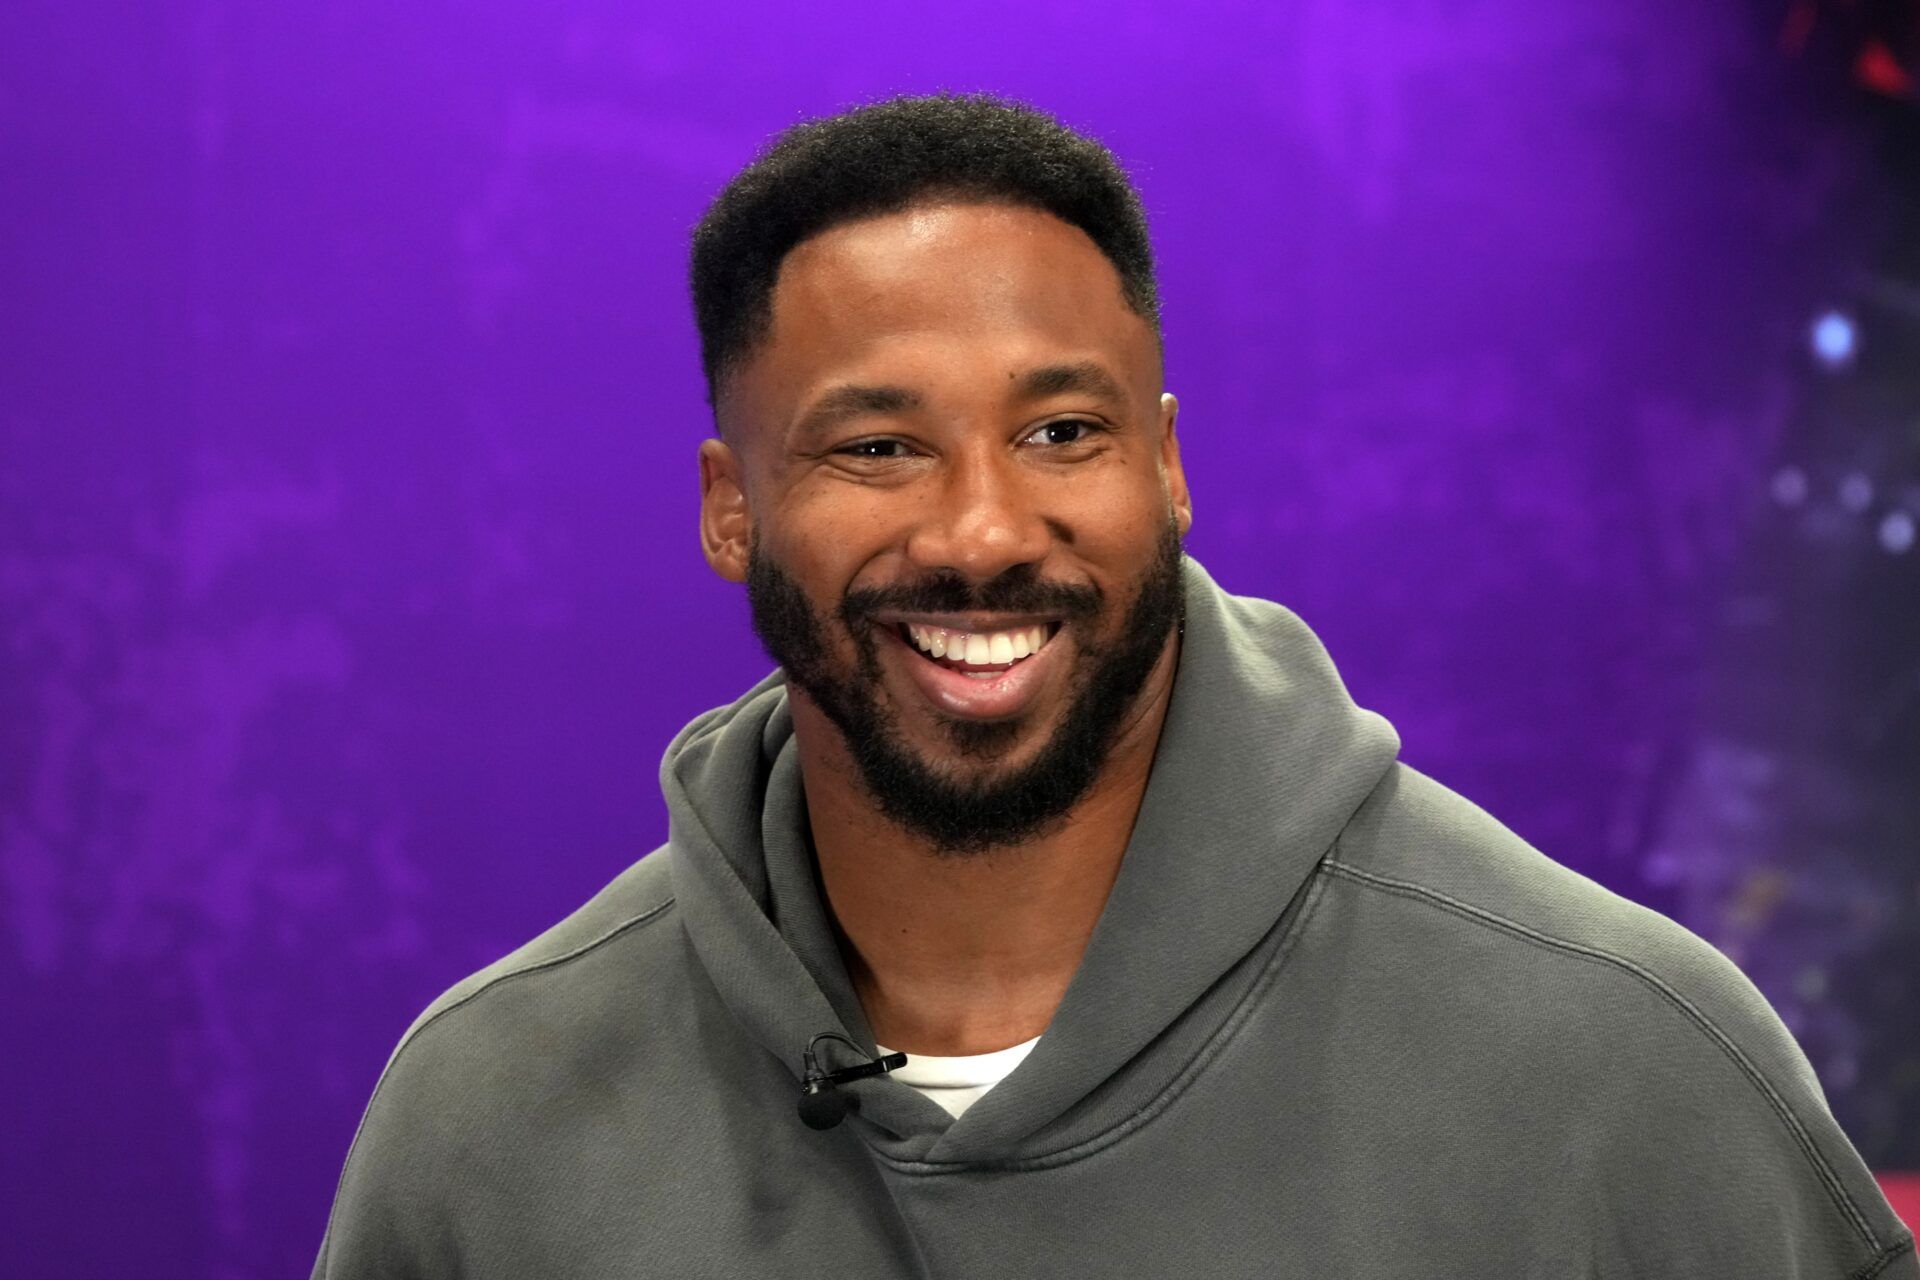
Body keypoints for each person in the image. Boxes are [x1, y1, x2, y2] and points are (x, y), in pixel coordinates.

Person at [312, 94, 1916, 1278]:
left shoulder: (1623, 1066)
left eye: (1063, 433)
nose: (987, 528)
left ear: (1168, 463)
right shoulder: (490, 1125)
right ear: (733, 509)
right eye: (878, 446)